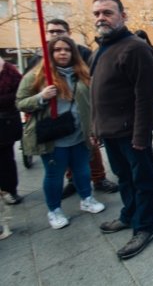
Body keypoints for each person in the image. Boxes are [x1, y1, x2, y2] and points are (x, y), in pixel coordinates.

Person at [90, 0, 153, 260]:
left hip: (132, 134)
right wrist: (95, 128)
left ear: (123, 15)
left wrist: (141, 136)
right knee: (124, 179)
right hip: (110, 133)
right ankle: (129, 215)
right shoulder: (101, 49)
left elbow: (146, 97)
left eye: (107, 12)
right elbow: (98, 93)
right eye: (96, 13)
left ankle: (145, 227)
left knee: (142, 181)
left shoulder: (136, 48)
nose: (101, 18)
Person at [16, 36, 105, 229]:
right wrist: (41, 97)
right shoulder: (37, 75)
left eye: (67, 49)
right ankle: (54, 210)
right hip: (54, 138)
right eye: (57, 50)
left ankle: (87, 198)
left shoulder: (81, 73)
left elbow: (90, 103)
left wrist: (93, 129)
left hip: (79, 133)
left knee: (82, 169)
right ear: (50, 53)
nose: (63, 53)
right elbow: (20, 102)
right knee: (54, 175)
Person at [27, 18, 118, 197]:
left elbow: (95, 78)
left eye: (59, 31)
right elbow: (27, 89)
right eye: (52, 32)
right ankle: (73, 181)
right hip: (56, 115)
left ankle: (99, 178)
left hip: (82, 111)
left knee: (90, 147)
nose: (55, 35)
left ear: (68, 33)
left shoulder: (83, 53)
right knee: (65, 152)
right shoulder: (39, 57)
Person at [0, 56, 23, 205]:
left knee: (6, 158)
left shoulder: (10, 71)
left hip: (5, 122)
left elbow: (19, 94)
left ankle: (9, 190)